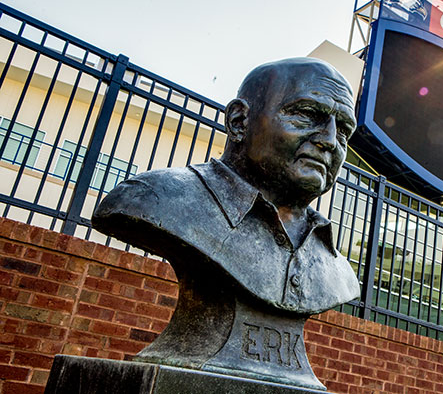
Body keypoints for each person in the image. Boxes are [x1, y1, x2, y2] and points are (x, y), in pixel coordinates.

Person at [92, 57, 360, 315]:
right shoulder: (153, 198)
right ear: (239, 121)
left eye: (345, 131)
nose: (330, 140)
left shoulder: (338, 270)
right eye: (306, 114)